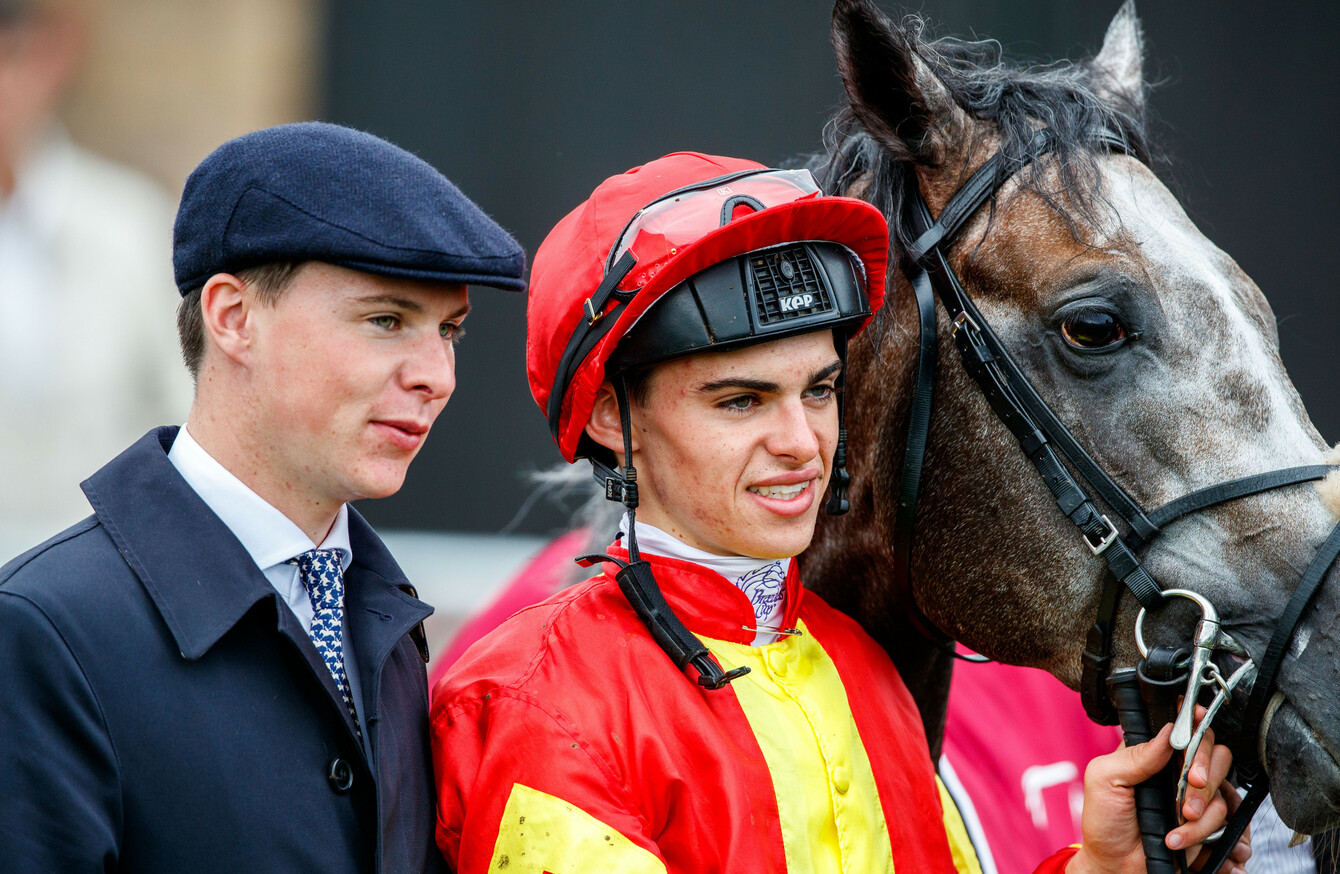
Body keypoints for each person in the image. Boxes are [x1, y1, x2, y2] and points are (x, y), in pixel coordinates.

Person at [430, 152, 1251, 873]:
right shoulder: (527, 704)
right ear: (613, 418)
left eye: (819, 390)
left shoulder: (860, 667)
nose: (801, 442)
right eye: (740, 401)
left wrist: (1101, 871)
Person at [0, 121, 525, 872]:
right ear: (233, 318)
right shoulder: (45, 632)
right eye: (385, 320)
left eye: (450, 331)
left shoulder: (380, 616)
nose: (435, 375)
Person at [0, 0, 191, 535]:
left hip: (102, 579)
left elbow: (190, 407)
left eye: (10, 58)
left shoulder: (129, 224)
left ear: (51, 58)